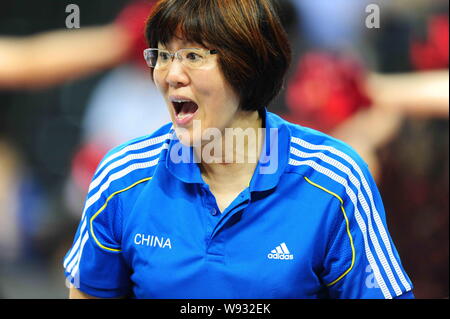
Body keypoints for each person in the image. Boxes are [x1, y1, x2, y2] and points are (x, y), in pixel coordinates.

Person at [64, 0, 414, 299]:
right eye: (162, 55)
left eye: (192, 55)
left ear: (247, 65)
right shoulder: (122, 176)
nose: (170, 75)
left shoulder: (334, 178)